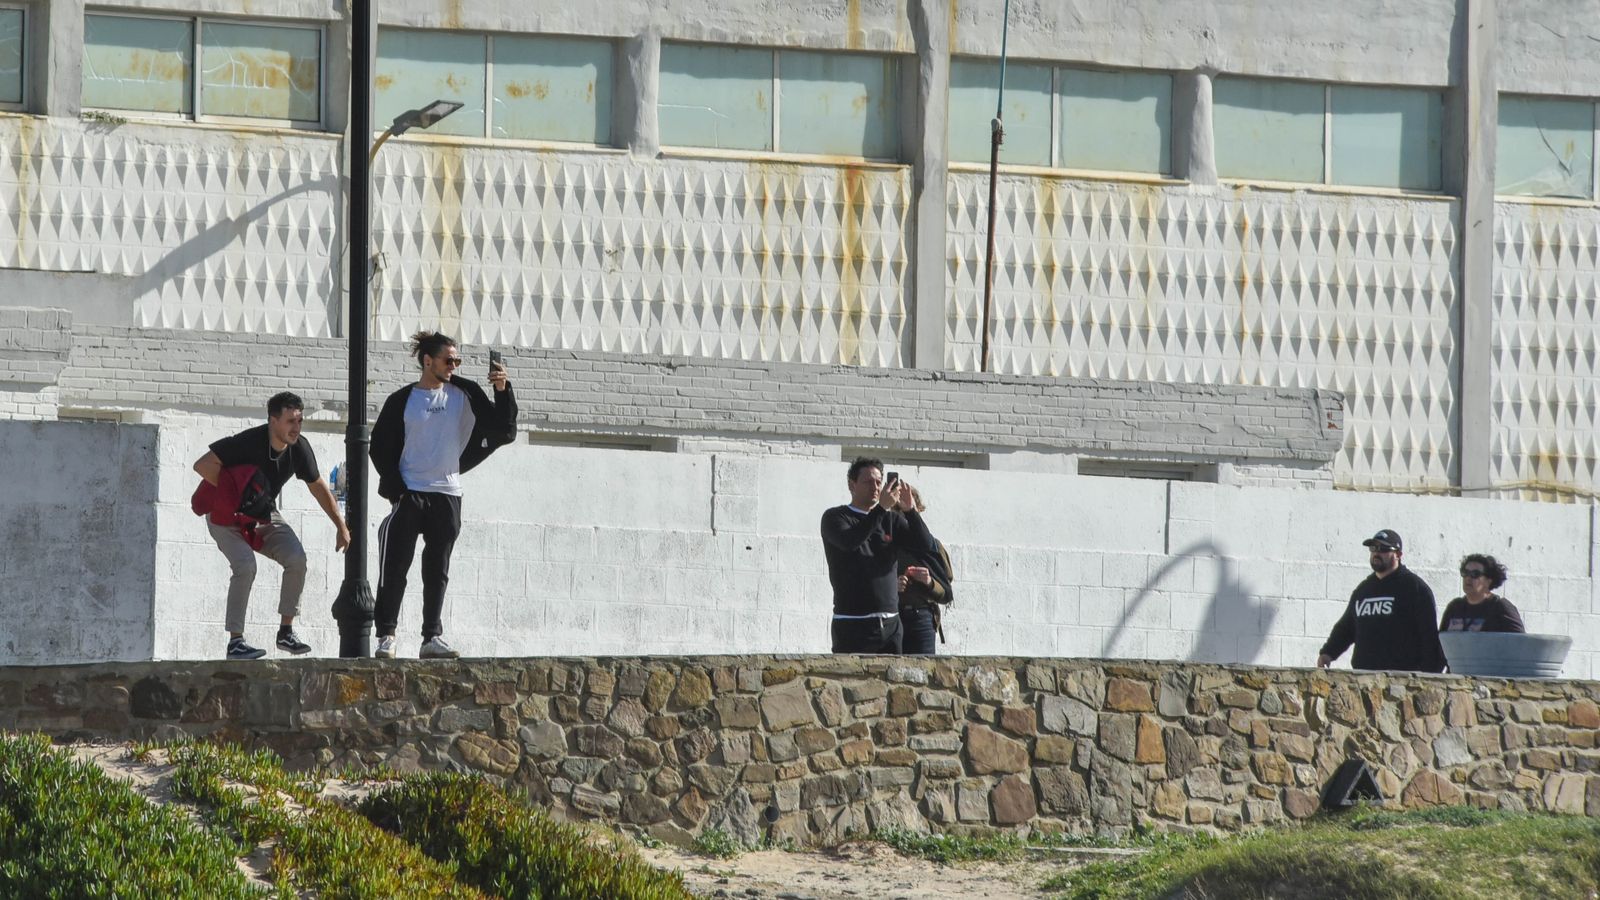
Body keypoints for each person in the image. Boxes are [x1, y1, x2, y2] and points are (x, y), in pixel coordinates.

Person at [369, 332, 518, 660]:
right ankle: (386, 636)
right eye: (448, 360)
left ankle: (431, 638)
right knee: (395, 567)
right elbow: (379, 447)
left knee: (437, 570)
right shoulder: (402, 400)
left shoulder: (465, 394)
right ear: (427, 361)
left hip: (447, 494)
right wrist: (398, 491)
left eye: (457, 361)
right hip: (410, 494)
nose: (454, 366)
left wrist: (503, 392)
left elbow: (504, 431)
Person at [192, 392, 351, 660]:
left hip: (262, 515)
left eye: (299, 421)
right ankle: (236, 642)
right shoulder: (248, 442)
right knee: (245, 566)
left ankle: (286, 632)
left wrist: (341, 525)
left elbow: (318, 487)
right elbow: (202, 465)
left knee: (296, 558)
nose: (296, 428)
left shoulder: (299, 448)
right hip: (225, 516)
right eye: (290, 421)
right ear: (272, 421)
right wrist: (236, 491)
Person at [820, 458, 930, 654]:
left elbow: (924, 545)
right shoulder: (835, 517)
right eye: (868, 482)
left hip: (890, 625)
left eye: (879, 482)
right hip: (852, 624)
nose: (875, 487)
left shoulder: (892, 520)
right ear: (852, 485)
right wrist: (880, 508)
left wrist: (911, 511)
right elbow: (850, 542)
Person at [1316, 528, 1445, 673]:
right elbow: (1347, 628)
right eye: (1373, 548)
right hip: (1363, 678)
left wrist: (1429, 676)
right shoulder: (1363, 591)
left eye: (1383, 549)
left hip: (1401, 681)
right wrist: (1328, 653)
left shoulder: (1415, 589)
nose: (1377, 553)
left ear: (1398, 554)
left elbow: (1429, 637)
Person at [888, 485, 954, 654]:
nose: (904, 516)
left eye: (909, 510)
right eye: (898, 510)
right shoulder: (886, 544)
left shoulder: (932, 546)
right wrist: (892, 586)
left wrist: (929, 581)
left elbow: (946, 593)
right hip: (892, 617)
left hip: (922, 617)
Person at [1440, 554, 1526, 633]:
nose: (1468, 578)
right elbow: (1441, 640)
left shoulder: (1500, 608)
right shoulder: (1455, 607)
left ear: (1488, 581)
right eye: (1465, 572)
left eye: (1475, 574)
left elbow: (1520, 642)